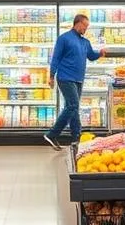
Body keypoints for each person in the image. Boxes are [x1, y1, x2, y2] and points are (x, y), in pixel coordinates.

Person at [44, 14, 105, 150]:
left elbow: (91, 56)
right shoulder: (64, 39)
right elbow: (56, 58)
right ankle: (52, 134)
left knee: (74, 108)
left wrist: (100, 53)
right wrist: (51, 76)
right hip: (65, 78)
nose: (86, 29)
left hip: (78, 79)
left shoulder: (85, 42)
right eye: (85, 26)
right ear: (77, 23)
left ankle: (75, 139)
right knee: (72, 106)